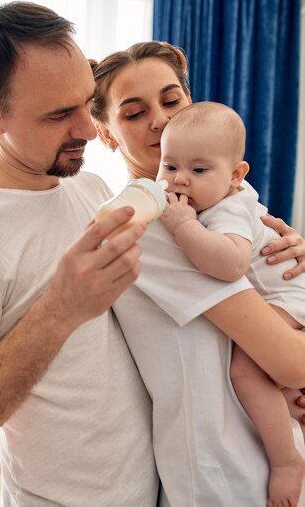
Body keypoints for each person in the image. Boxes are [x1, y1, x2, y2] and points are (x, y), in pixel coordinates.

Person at [0, 2, 160, 507]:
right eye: (60, 114)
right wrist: (61, 309)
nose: (88, 129)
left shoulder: (89, 185)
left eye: (87, 102)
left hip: (156, 486)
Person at [90, 41, 305, 506]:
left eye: (171, 101)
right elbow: (292, 361)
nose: (160, 120)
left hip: (260, 444)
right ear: (105, 133)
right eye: (133, 113)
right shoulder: (148, 217)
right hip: (222, 466)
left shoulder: (216, 194)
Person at [157, 100, 305, 506]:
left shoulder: (226, 208)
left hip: (286, 295)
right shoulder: (212, 200)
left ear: (236, 175)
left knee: (248, 372)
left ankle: (287, 461)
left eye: (198, 170)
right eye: (170, 167)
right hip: (283, 292)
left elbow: (231, 263)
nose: (180, 181)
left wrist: (185, 227)